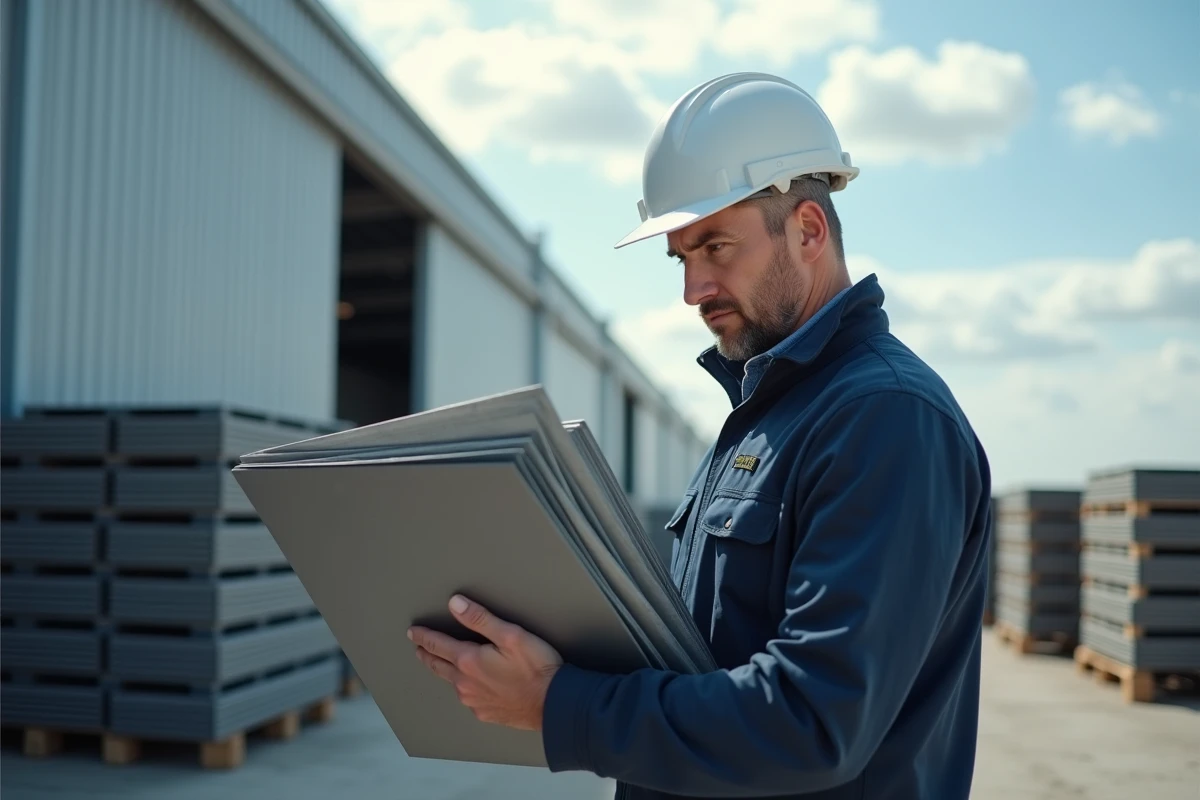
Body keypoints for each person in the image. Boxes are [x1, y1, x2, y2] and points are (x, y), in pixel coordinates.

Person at [407, 72, 994, 800]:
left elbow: (815, 720)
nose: (693, 290)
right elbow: (706, 660)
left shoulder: (885, 418)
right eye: (682, 257)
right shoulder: (768, 414)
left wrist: (564, 706)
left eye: (717, 246)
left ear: (808, 230)